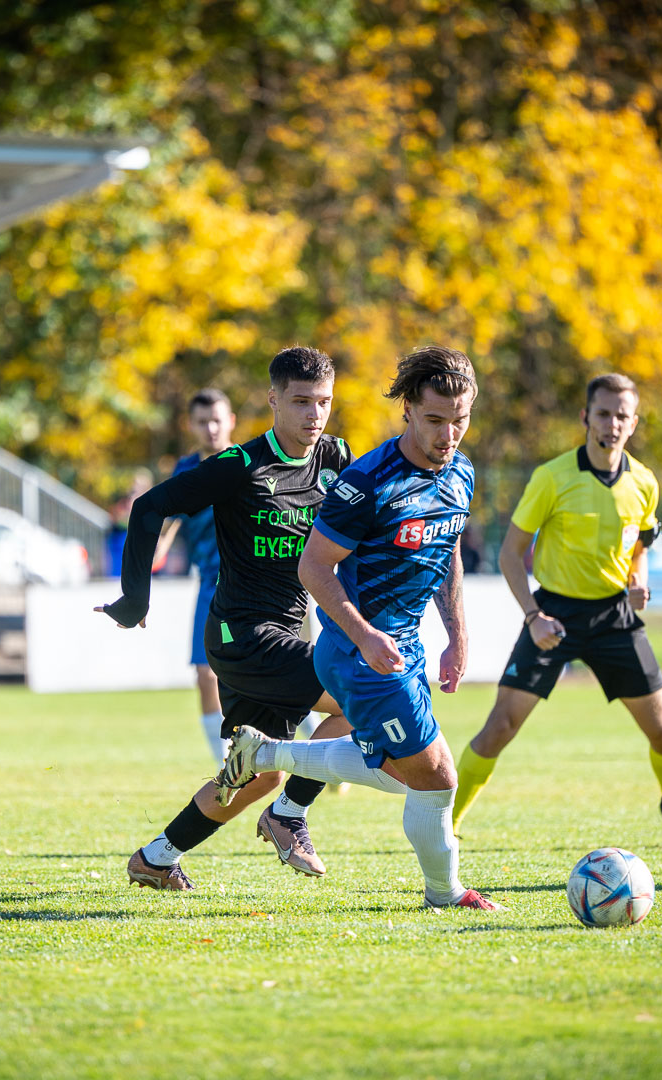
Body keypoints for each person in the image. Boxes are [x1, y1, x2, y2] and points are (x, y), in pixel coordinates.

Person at [217, 344, 501, 910]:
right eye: (435, 420)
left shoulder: (460, 473)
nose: (448, 435)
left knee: (407, 774)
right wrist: (364, 634)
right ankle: (444, 894)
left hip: (404, 648)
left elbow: (447, 549)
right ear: (408, 411)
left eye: (460, 420)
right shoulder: (368, 482)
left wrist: (458, 636)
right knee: (438, 777)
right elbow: (313, 567)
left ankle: (265, 757)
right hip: (358, 653)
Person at [99, 347, 355, 887]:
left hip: (284, 632)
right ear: (273, 401)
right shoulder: (240, 465)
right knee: (365, 694)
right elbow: (149, 508)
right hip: (241, 636)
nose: (314, 414)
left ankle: (156, 857)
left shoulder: (335, 457)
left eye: (324, 402)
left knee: (258, 777)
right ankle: (290, 816)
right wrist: (135, 599)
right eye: (301, 401)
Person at [449, 373, 662, 847]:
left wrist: (637, 581)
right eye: (603, 413)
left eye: (622, 416)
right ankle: (446, 825)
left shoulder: (644, 483)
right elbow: (510, 554)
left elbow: (640, 543)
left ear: (633, 424)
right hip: (553, 616)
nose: (612, 424)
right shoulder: (552, 477)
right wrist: (533, 617)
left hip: (615, 619)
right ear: (586, 417)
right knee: (499, 728)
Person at [152, 388, 237, 760]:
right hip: (209, 585)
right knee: (205, 674)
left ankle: (315, 743)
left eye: (217, 420)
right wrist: (152, 552)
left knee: (279, 673)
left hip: (252, 584)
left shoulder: (247, 462)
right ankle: (225, 769)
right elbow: (168, 520)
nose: (211, 429)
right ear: (191, 425)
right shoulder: (185, 470)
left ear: (231, 421)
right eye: (203, 422)